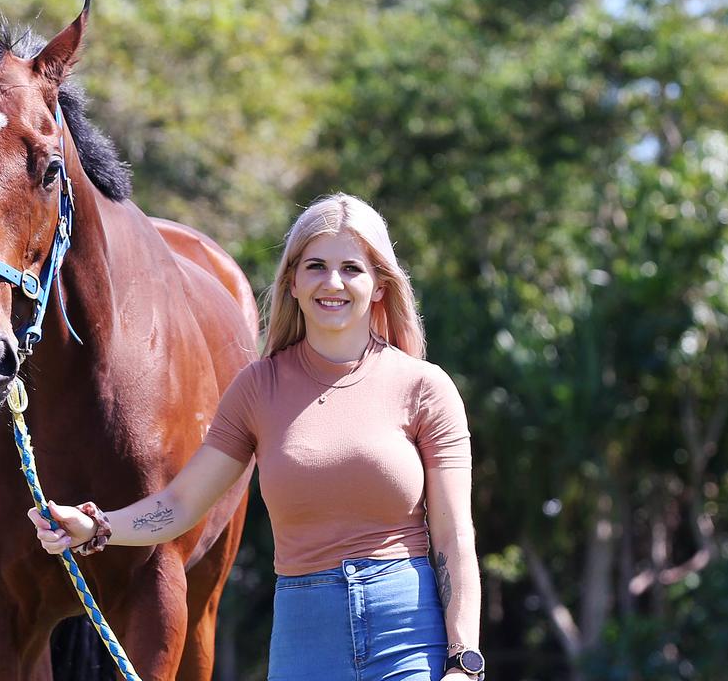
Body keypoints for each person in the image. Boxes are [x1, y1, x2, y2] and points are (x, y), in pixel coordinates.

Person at [28, 193, 484, 680]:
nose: (333, 283)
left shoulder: (425, 388)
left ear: (377, 286)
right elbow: (182, 504)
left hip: (409, 636)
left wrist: (464, 660)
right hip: (306, 637)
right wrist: (97, 527)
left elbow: (454, 536)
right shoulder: (257, 388)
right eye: (315, 266)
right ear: (292, 281)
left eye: (352, 268)